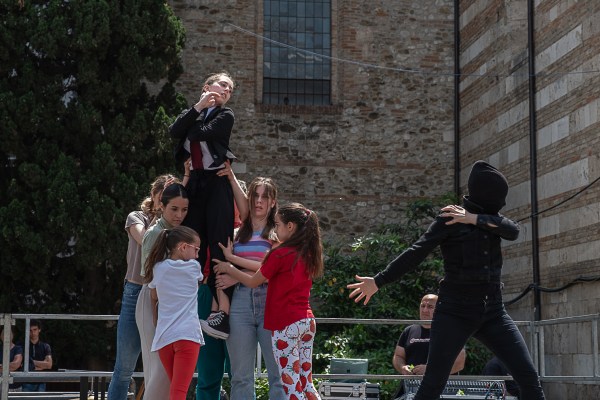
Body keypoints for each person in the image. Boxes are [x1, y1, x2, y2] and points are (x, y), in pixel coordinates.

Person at [347, 161, 546, 400]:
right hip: (455, 311)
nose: (502, 204)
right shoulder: (450, 218)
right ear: (488, 195)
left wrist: (473, 218)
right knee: (432, 385)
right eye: (499, 198)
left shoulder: (490, 219)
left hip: (493, 310)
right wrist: (378, 281)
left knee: (529, 379)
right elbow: (416, 252)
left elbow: (513, 230)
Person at [214, 202, 324, 400]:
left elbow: (253, 282)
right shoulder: (309, 253)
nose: (275, 230)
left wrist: (229, 268)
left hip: (286, 325)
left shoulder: (279, 254)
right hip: (307, 322)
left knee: (291, 386)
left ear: (290, 226)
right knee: (306, 383)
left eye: (278, 225)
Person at [170, 71, 237, 340]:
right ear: (207, 86)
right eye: (223, 85)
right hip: (196, 181)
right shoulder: (194, 112)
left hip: (216, 181)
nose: (227, 90)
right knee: (192, 241)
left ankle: (222, 312)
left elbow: (200, 134)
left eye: (230, 89)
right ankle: (189, 302)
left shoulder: (226, 115)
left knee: (219, 242)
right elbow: (174, 131)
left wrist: (192, 122)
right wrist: (197, 108)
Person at [213, 170, 286, 399]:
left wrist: (235, 272)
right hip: (240, 302)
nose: (259, 201)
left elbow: (270, 271)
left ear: (273, 202)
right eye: (255, 195)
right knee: (240, 377)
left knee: (278, 376)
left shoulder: (278, 234)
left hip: (270, 301)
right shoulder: (236, 234)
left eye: (265, 197)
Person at [108, 174, 176, 400]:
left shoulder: (176, 224)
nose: (166, 200)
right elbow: (147, 239)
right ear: (154, 195)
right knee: (124, 367)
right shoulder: (136, 217)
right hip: (135, 290)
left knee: (160, 365)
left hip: (163, 294)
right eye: (163, 195)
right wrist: (162, 218)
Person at [136, 183, 189, 400]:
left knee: (168, 370)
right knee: (157, 368)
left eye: (184, 210)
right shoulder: (154, 233)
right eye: (174, 209)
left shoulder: (181, 234)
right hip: (153, 302)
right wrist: (158, 313)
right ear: (162, 206)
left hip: (172, 306)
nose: (179, 215)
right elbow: (149, 277)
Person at [144, 225, 204, 400]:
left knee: (175, 391)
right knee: (179, 392)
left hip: (164, 337)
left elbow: (154, 295)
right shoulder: (194, 267)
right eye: (196, 249)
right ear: (183, 247)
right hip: (187, 335)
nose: (197, 255)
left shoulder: (158, 268)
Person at [392, 294, 466, 399]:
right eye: (422, 306)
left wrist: (431, 370)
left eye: (430, 307)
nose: (425, 310)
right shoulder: (409, 330)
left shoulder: (450, 331)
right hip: (410, 390)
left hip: (443, 390)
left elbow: (459, 363)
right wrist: (402, 367)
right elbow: (398, 356)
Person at [21, 320, 52, 392]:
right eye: (30, 330)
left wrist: (31, 361)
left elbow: (49, 365)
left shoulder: (45, 346)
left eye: (35, 329)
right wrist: (41, 365)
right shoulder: (22, 346)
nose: (33, 333)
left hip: (41, 382)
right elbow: (21, 365)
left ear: (39, 330)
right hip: (26, 382)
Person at [0, 327, 23, 391]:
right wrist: (9, 367)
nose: (6, 335)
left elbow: (15, 365)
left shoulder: (18, 349)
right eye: (3, 333)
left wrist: (1, 366)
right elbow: (12, 367)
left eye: (8, 333)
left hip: (15, 387)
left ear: (13, 335)